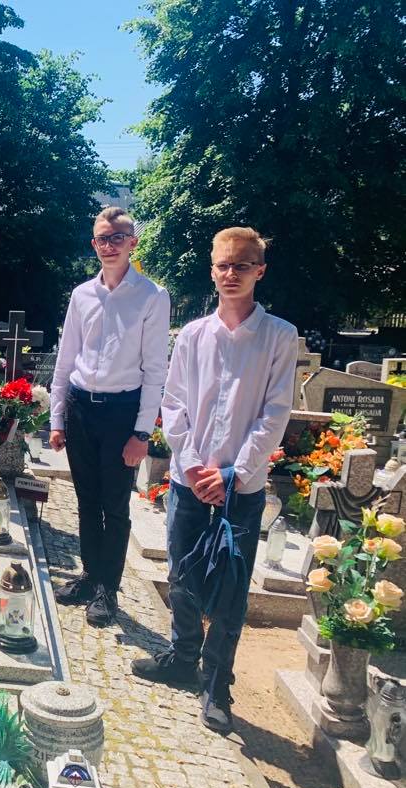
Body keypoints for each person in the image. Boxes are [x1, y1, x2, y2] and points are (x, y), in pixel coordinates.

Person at [132, 227, 296, 734]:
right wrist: (194, 464)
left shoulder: (278, 336)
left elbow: (275, 413)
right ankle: (183, 656)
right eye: (223, 265)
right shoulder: (193, 335)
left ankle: (217, 681)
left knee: (231, 588)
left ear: (259, 271)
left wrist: (234, 472)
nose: (231, 274)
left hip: (240, 490)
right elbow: (174, 402)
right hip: (189, 479)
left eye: (242, 265)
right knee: (181, 573)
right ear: (212, 270)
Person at [49, 207, 171, 627]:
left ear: (132, 242)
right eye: (102, 238)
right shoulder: (82, 294)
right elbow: (66, 358)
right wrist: (57, 419)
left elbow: (155, 370)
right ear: (94, 244)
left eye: (118, 237)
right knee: (86, 500)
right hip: (81, 407)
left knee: (114, 505)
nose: (109, 245)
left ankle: (108, 589)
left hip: (122, 412)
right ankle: (89, 575)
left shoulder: (152, 296)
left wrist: (142, 433)